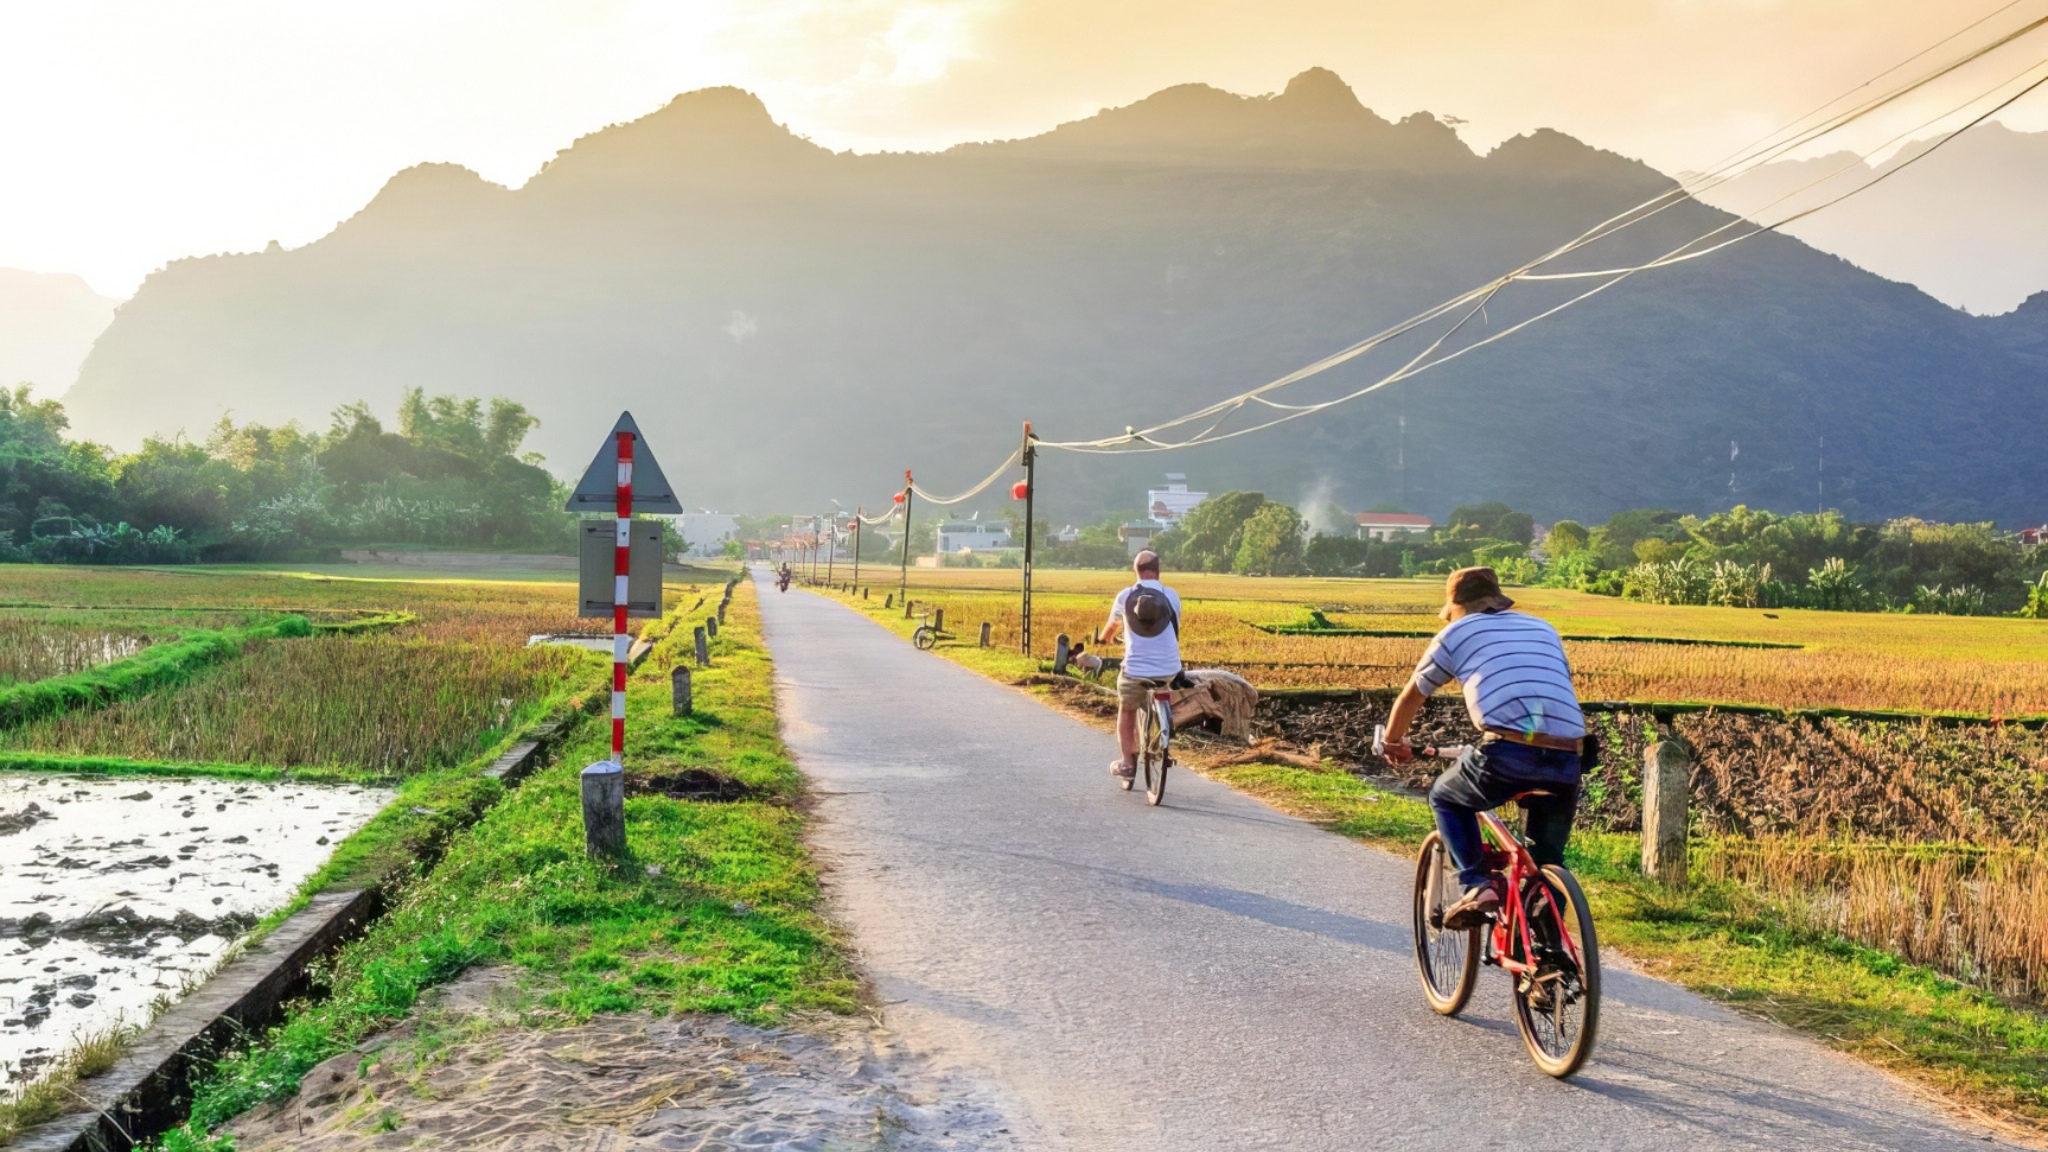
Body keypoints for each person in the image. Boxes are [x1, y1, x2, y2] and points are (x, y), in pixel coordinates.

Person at [1381, 566, 1587, 929]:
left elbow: (1413, 696)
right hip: (1568, 756)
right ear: (1496, 599)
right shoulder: (1542, 628)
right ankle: (1551, 955)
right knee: (1546, 859)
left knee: (1446, 797)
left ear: (1457, 607)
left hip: (1507, 752)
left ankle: (1476, 884)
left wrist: (1394, 741)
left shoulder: (1455, 633)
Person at [1097, 550, 1184, 780]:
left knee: (1127, 709)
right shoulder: (1171, 596)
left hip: (1135, 670)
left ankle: (1127, 763)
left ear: (1135, 570)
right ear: (1158, 569)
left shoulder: (1126, 596)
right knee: (1163, 688)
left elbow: (1110, 628)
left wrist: (1104, 639)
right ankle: (1163, 730)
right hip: (1169, 668)